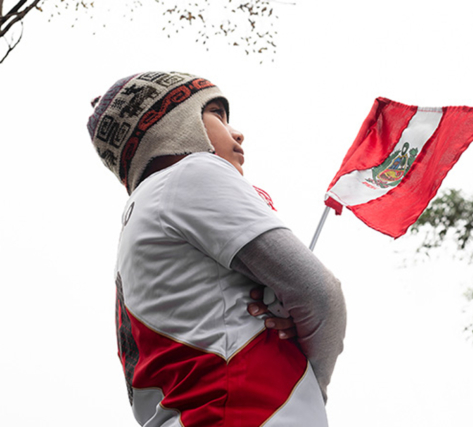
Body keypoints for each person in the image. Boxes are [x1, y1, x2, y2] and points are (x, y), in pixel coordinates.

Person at [87, 71, 346, 427]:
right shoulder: (190, 173)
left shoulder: (140, 219)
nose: (238, 133)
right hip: (249, 412)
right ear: (175, 124)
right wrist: (310, 387)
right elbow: (319, 293)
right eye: (219, 116)